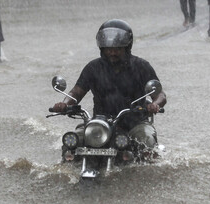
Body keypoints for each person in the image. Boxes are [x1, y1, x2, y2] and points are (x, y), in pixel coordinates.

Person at [51, 20, 168, 152]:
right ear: (102, 48)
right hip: (100, 123)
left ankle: (150, 169)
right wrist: (65, 104)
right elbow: (76, 92)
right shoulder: (93, 68)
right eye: (108, 49)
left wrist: (155, 104)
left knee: (146, 141)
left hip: (135, 123)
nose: (112, 53)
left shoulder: (141, 67)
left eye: (117, 49)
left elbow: (160, 94)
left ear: (127, 47)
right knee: (72, 141)